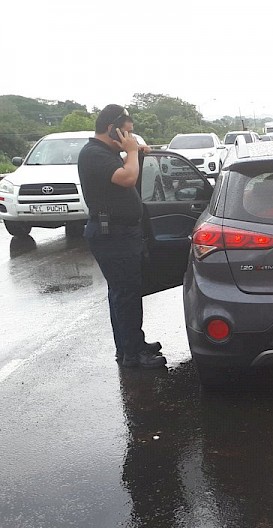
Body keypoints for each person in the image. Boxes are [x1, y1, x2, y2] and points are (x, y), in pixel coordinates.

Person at [77, 104, 166, 369]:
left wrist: (134, 153)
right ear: (110, 129)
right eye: (126, 133)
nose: (130, 138)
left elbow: (129, 176)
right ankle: (133, 356)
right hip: (112, 234)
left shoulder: (107, 152)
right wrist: (131, 152)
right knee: (126, 294)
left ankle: (130, 345)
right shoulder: (94, 153)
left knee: (122, 293)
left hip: (118, 232)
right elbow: (128, 179)